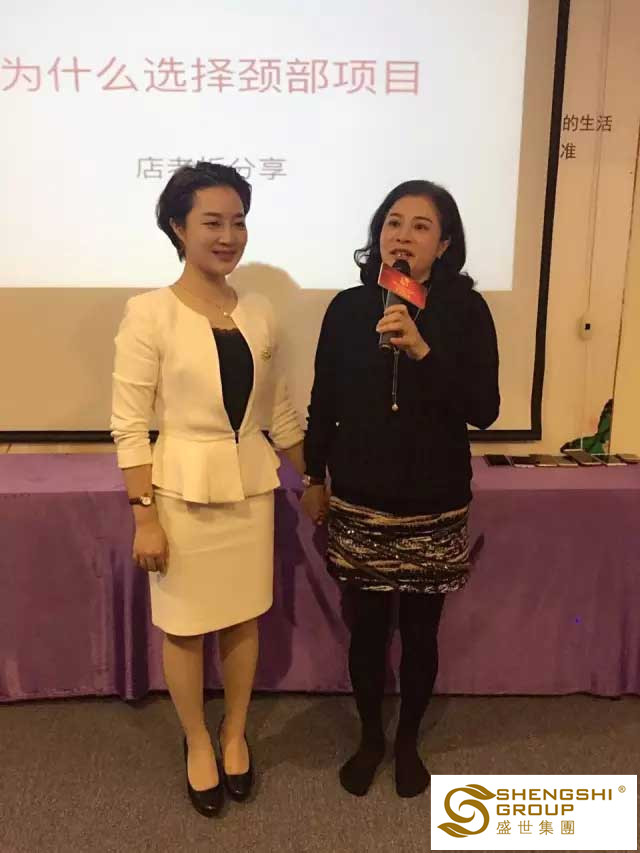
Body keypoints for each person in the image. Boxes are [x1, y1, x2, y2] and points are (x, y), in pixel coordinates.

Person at [111, 162, 305, 817]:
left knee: (244, 616)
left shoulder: (260, 311)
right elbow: (129, 426)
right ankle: (197, 738)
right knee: (187, 627)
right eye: (212, 222)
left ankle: (234, 731)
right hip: (180, 494)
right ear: (178, 227)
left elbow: (279, 414)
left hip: (250, 488)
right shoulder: (149, 313)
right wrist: (144, 516)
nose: (228, 236)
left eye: (238, 222)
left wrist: (316, 477)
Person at [301, 180, 500, 798]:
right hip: (361, 497)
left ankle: (408, 740)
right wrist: (313, 475)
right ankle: (370, 738)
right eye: (393, 223)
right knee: (365, 631)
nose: (403, 237)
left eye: (420, 226)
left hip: (434, 501)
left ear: (445, 244)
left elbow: (484, 409)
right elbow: (324, 401)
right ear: (378, 235)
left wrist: (422, 351)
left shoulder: (466, 311)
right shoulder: (348, 308)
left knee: (419, 632)